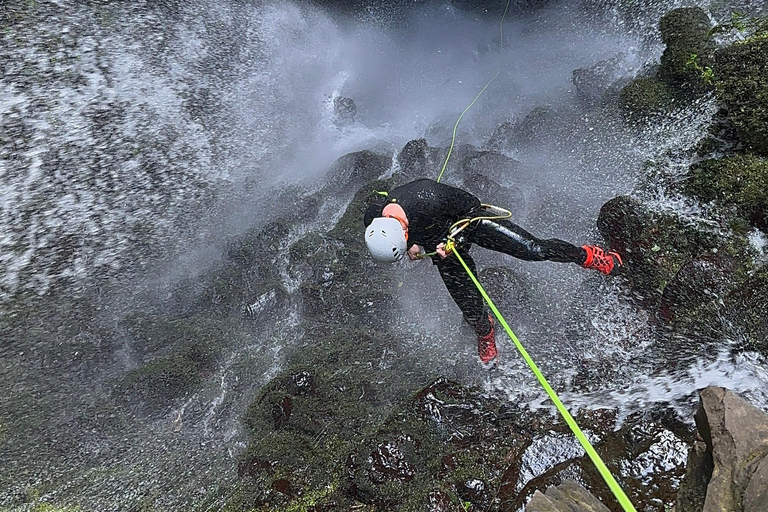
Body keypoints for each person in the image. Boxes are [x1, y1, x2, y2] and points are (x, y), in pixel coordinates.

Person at [363, 178, 622, 364]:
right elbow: (398, 235)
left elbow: (472, 206)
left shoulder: (427, 195)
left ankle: (586, 255)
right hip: (439, 245)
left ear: (403, 230)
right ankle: (485, 331)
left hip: (469, 224)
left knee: (533, 249)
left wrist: (457, 241)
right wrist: (414, 247)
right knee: (468, 303)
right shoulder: (375, 219)